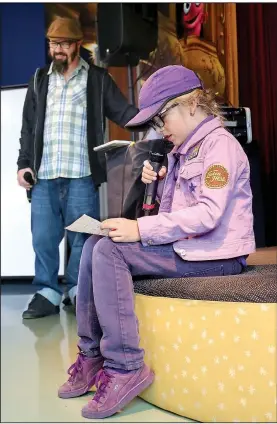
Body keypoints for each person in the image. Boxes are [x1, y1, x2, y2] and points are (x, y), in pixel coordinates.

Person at [58, 65, 255, 419]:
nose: (161, 128)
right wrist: (160, 182)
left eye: (163, 117)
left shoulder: (220, 147)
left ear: (193, 105)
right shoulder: (182, 151)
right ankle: (90, 355)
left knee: (110, 250)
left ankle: (125, 366)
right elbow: (174, 210)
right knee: (93, 245)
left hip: (217, 255)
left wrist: (140, 231)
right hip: (190, 248)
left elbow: (208, 214)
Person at [17, 17, 138, 319]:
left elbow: (124, 113)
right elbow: (28, 128)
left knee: (82, 238)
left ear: (76, 45)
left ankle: (77, 289)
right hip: (44, 177)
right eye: (53, 44)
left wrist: (155, 118)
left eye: (63, 44)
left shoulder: (96, 79)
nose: (57, 49)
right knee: (43, 237)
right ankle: (46, 291)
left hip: (82, 176)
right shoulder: (39, 79)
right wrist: (23, 165)